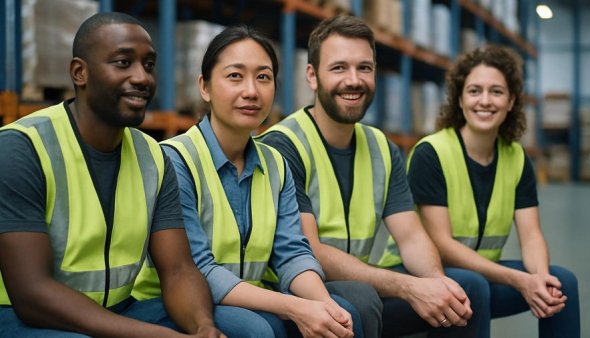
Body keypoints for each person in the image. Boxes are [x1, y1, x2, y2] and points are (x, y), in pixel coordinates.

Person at [259, 15, 487, 338]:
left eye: (364, 68)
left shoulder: (382, 147)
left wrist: (437, 284)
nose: (354, 80)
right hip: (300, 291)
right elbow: (309, 250)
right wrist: (408, 287)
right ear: (312, 76)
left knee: (466, 289)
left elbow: (411, 236)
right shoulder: (283, 145)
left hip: (361, 281)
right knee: (363, 301)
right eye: (339, 68)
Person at [0, 12, 223, 337]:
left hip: (120, 309)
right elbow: (32, 293)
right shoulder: (22, 148)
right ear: (80, 72)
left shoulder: (154, 158)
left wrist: (203, 328)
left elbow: (178, 270)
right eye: (122, 63)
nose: (142, 78)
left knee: (241, 325)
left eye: (148, 65)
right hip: (26, 319)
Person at [132, 25, 362, 338]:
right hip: (180, 304)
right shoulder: (175, 160)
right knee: (256, 330)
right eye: (235, 76)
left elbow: (292, 253)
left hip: (250, 295)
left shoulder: (275, 164)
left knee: (344, 316)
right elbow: (199, 269)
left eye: (263, 77)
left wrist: (323, 306)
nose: (251, 91)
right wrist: (295, 307)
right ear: (205, 87)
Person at [406, 45, 580, 338]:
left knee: (561, 283)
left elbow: (532, 235)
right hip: (426, 273)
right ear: (460, 99)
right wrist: (517, 280)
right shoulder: (431, 152)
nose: (485, 101)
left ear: (511, 101)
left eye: (496, 92)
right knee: (472, 286)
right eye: (474, 91)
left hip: (484, 275)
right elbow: (440, 243)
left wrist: (538, 277)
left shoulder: (517, 158)